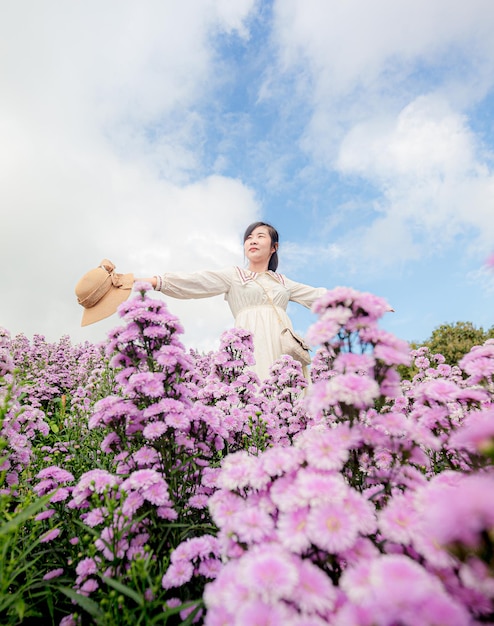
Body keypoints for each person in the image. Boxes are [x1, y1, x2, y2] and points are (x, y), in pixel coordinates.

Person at [135, 222, 327, 381]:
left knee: (286, 390)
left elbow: (319, 296)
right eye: (249, 238)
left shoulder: (283, 282)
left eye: (260, 236)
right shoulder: (234, 275)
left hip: (281, 342)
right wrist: (149, 281)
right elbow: (196, 281)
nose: (253, 241)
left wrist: (352, 302)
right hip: (249, 340)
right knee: (252, 384)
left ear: (274, 247)